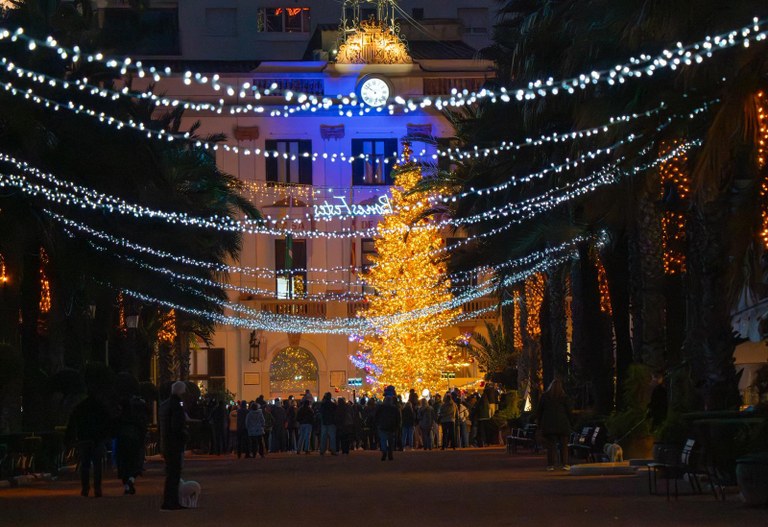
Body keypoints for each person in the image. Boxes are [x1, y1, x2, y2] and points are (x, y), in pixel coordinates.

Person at [67, 390, 112, 498]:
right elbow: (107, 422)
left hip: (84, 439)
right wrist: (105, 436)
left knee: (85, 465)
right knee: (97, 465)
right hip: (97, 439)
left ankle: (85, 488)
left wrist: (72, 437)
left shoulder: (81, 407)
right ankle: (97, 488)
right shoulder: (101, 407)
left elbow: (73, 421)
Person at [161, 381, 188, 510]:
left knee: (171, 474)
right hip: (175, 444)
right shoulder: (176, 405)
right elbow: (177, 425)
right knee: (174, 474)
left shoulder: (166, 404)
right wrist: (183, 435)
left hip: (168, 443)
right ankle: (171, 502)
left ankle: (169, 501)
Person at [536, 378, 572, 471]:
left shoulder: (545, 397)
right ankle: (565, 464)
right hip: (562, 424)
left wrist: (539, 424)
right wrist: (571, 422)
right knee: (564, 445)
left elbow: (539, 411)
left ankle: (551, 465)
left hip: (549, 424)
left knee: (551, 446)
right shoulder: (564, 397)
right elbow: (569, 411)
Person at [115, 394, 148, 495]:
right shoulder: (135, 418)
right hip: (135, 442)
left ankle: (126, 485)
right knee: (135, 464)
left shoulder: (119, 418)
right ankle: (131, 480)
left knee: (124, 464)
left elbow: (114, 429)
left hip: (122, 442)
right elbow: (142, 429)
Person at [375, 395, 401, 460]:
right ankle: (390, 453)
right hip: (391, 427)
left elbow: (376, 416)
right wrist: (397, 425)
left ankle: (384, 452)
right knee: (391, 441)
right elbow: (398, 418)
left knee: (383, 440)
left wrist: (378, 423)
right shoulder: (394, 408)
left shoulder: (381, 408)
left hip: (382, 426)